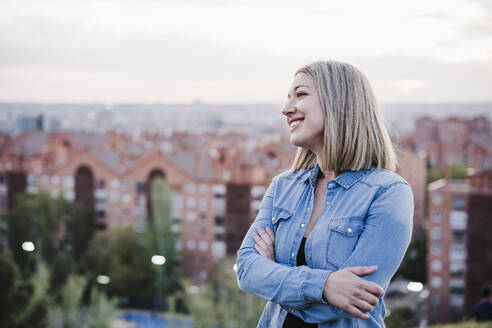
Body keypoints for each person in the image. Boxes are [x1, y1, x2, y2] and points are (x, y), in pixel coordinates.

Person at [236, 61, 414, 328]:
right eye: (288, 98)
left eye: (301, 94)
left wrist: (274, 274)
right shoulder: (283, 186)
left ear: (338, 102)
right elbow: (247, 270)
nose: (286, 109)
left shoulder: (388, 193)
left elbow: (353, 300)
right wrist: (325, 285)